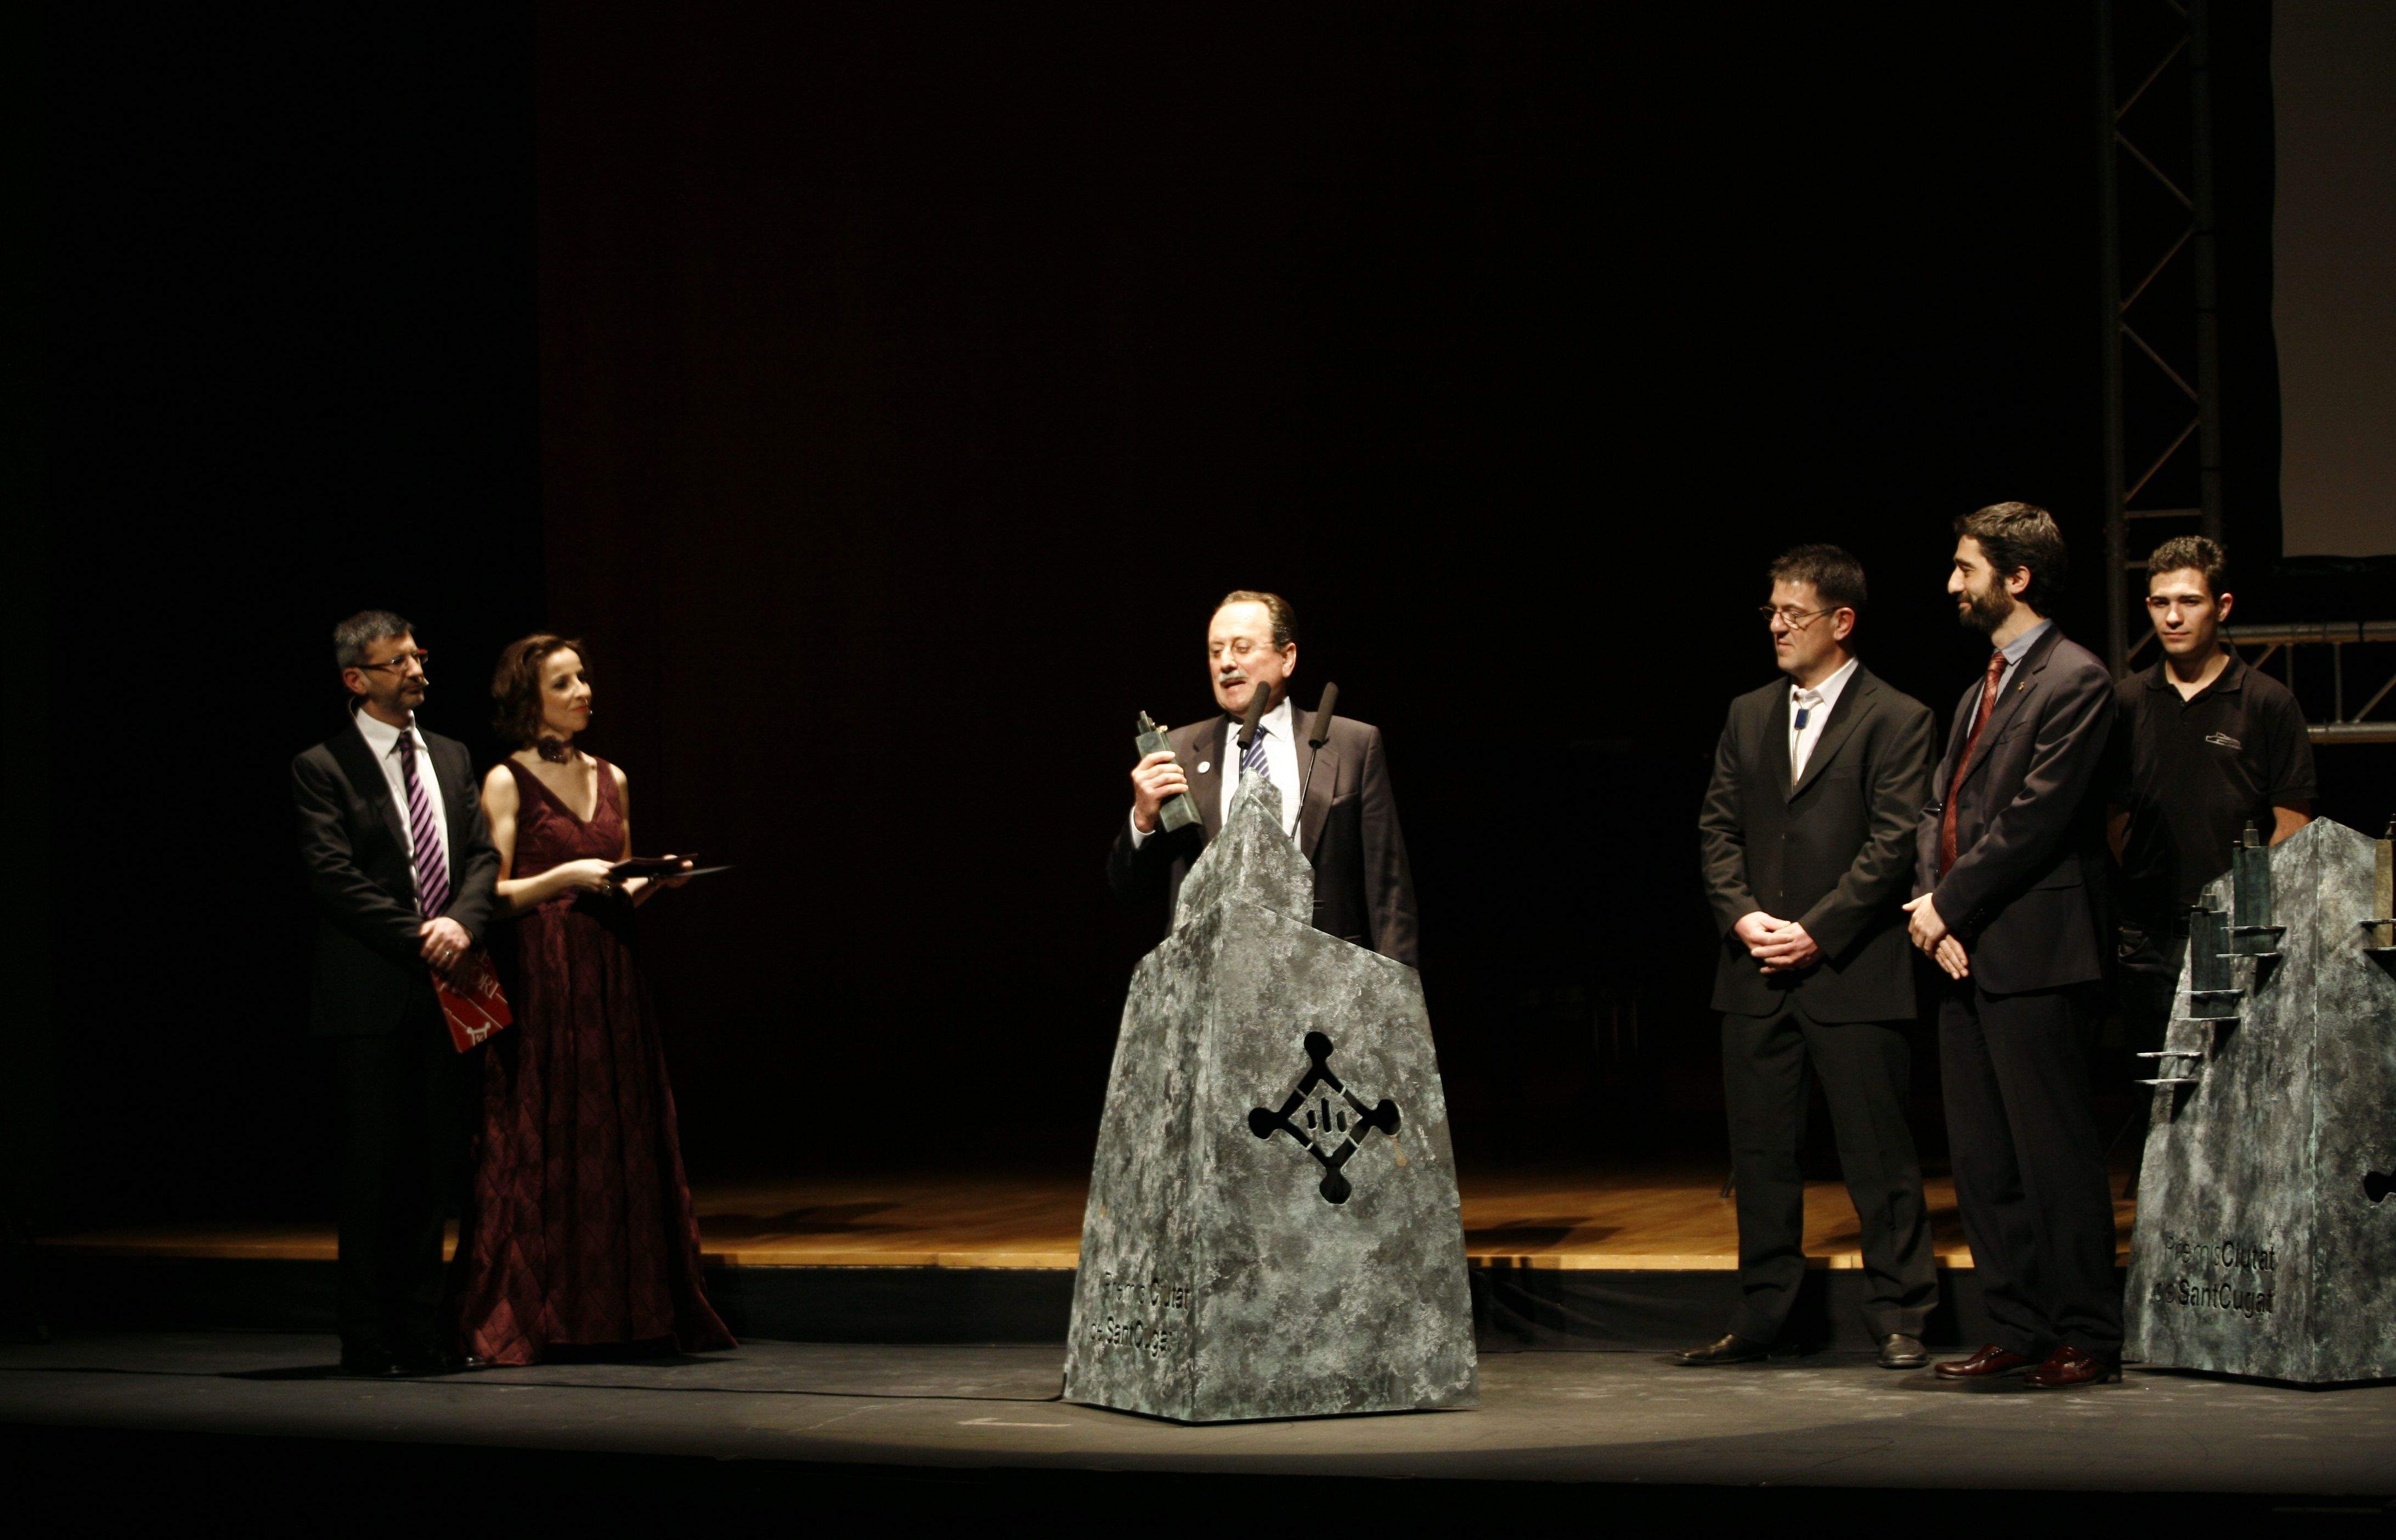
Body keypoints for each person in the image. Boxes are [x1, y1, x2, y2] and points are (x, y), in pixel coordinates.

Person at [1687, 546, 1940, 1371]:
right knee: (1762, 1157)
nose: (1777, 627)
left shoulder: (1898, 717)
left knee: (1878, 1154)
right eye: (1771, 612)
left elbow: (1893, 844)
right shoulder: (1748, 713)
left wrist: (1818, 929)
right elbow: (1717, 830)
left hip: (1851, 971)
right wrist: (1743, 916)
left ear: (1842, 621)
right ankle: (1765, 1316)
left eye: (1793, 614)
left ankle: (1900, 1313)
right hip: (1756, 971)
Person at [451, 635, 733, 1365]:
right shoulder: (507, 780)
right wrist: (565, 876)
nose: (583, 692)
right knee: (549, 1131)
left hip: (611, 974)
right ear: (529, 698)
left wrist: (655, 882)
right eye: (564, 682)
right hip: (543, 976)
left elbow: (618, 886)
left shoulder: (613, 776)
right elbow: (492, 895)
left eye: (583, 679)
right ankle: (545, 1313)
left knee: (618, 1130)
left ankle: (630, 1311)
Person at [1904, 503, 2122, 1389]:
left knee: (2051, 1154)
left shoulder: (2077, 680)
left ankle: (2085, 1332)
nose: (1952, 584)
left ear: (2016, 576)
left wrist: (1947, 905)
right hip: (1962, 945)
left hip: (2036, 948)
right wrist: (1930, 904)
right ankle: (2017, 1324)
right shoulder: (1976, 689)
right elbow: (1938, 806)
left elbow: (2034, 820)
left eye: (1966, 568)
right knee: (1983, 1157)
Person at [291, 612, 500, 1377]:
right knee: (374, 1171)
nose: (416, 670)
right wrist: (421, 935)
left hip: (453, 984)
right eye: (397, 662)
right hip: (374, 993)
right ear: (357, 679)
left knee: (435, 1168)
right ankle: (369, 1339)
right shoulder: (324, 766)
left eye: (418, 656)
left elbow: (482, 855)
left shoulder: (451, 754)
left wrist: (462, 923)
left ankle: (424, 1333)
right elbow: (334, 877)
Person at [1108, 590, 1419, 967]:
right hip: (1211, 979)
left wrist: (1398, 991)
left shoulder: (1352, 744)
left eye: (1242, 648)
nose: (1226, 663)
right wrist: (1143, 819)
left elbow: (1389, 892)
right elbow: (1131, 892)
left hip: (1327, 976)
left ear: (1287, 658)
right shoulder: (1178, 752)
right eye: (1216, 651)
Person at [2109, 536, 2314, 1055]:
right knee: (2154, 1083)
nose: (2173, 617)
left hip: (2235, 931)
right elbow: (2114, 812)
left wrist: (2246, 911)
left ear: (2222, 607)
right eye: (2160, 603)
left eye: (2189, 601)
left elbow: (2293, 823)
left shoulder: (2267, 702)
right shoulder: (2127, 701)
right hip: (2148, 936)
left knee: (2234, 1079)